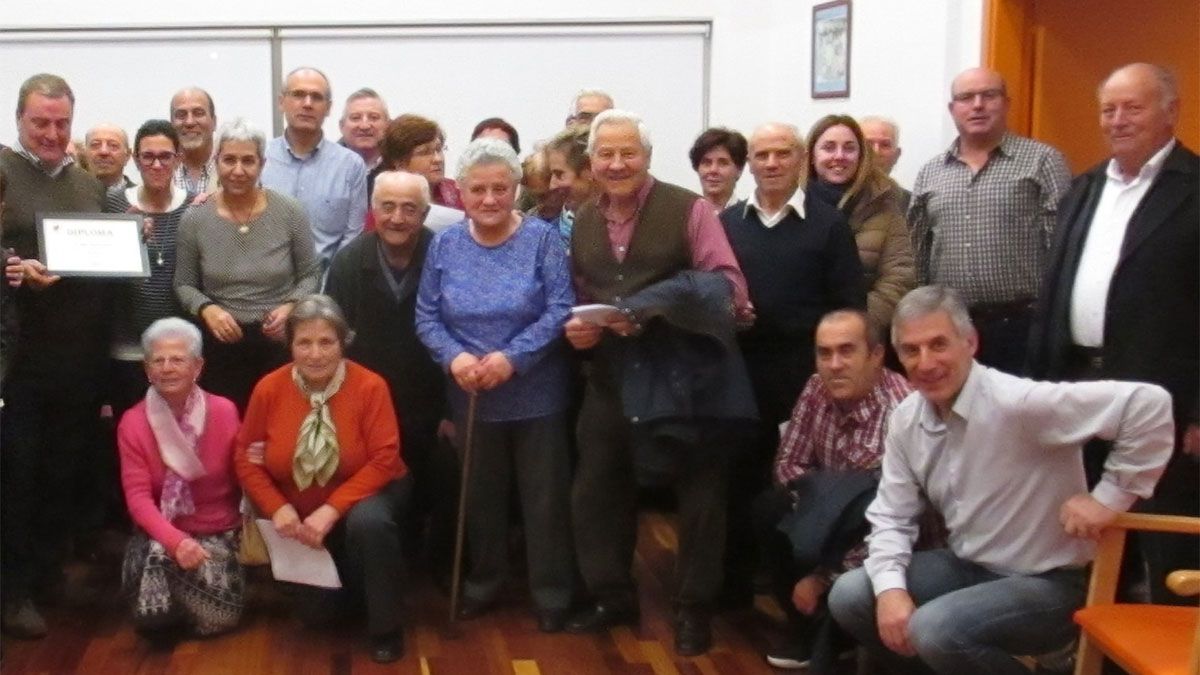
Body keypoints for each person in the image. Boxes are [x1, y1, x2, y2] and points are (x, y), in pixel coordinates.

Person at [827, 285, 1175, 675]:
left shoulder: (1018, 403)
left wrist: (1108, 499)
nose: (925, 363)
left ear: (970, 342)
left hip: (1050, 583)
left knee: (936, 628)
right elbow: (891, 516)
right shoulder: (907, 419)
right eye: (911, 350)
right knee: (851, 595)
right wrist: (891, 591)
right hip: (968, 566)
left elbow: (1149, 404)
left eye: (939, 344)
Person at [564, 109, 755, 656]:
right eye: (606, 154)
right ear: (592, 161)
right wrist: (583, 330)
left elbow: (727, 287)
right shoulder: (582, 218)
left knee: (700, 498)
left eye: (629, 153)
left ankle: (693, 609)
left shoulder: (688, 209)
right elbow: (582, 290)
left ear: (647, 157)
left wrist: (650, 306)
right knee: (596, 488)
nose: (617, 163)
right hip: (611, 375)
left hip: (685, 376)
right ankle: (612, 597)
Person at [1028, 62, 1199, 604]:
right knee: (1090, 535)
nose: (1118, 120)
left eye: (1134, 106)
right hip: (1080, 387)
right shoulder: (1084, 187)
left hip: (1165, 396)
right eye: (1109, 109)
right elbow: (1055, 292)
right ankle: (1096, 654)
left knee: (1165, 545)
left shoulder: (1194, 190)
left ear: (1171, 111)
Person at [416, 138, 576, 632]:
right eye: (478, 190)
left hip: (536, 393)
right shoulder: (444, 243)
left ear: (515, 189)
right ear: (459, 192)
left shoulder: (543, 239)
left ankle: (552, 593)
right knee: (480, 501)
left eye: (500, 189)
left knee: (544, 500)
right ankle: (483, 583)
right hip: (470, 394)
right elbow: (426, 315)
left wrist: (513, 358)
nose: (489, 200)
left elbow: (559, 308)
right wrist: (455, 357)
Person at [719, 122, 865, 607]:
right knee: (738, 482)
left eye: (782, 153)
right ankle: (735, 589)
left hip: (806, 379)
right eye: (762, 155)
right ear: (750, 163)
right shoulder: (729, 223)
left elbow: (849, 306)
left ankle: (797, 599)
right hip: (741, 372)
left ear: (800, 158)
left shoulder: (828, 224)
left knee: (797, 490)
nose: (772, 163)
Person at [235, 294, 409, 663]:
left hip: (365, 497)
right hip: (298, 512)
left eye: (326, 342)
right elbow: (245, 458)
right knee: (317, 618)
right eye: (304, 343)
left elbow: (384, 459)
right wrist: (276, 507)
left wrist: (331, 510)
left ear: (343, 342)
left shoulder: (370, 386)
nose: (315, 354)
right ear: (290, 346)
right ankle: (349, 589)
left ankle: (386, 626)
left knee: (369, 522)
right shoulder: (269, 388)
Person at [0, 73, 111, 639]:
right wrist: (10, 267)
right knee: (15, 476)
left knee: (60, 471)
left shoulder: (86, 183)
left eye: (62, 123)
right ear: (19, 118)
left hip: (77, 359)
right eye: (40, 122)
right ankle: (11, 590)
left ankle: (46, 574)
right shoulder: (0, 169)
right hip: (16, 361)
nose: (51, 133)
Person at [755, 309, 912, 671]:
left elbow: (893, 518)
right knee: (769, 508)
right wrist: (819, 508)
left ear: (876, 356)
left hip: (880, 531)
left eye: (846, 351)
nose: (834, 364)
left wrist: (821, 575)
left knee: (857, 517)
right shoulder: (815, 387)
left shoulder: (901, 412)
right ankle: (807, 627)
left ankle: (838, 627)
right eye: (824, 353)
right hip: (825, 506)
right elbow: (787, 463)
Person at [324, 170, 454, 573]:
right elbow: (333, 344)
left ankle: (435, 569)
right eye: (387, 206)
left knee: (441, 482)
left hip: (433, 404)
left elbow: (463, 333)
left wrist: (454, 409)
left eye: (409, 209)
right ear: (372, 210)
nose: (397, 218)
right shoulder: (348, 262)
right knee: (376, 497)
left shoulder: (446, 255)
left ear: (425, 213)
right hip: (368, 409)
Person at [909, 67, 1070, 374]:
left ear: (1006, 103)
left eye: (989, 95)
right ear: (952, 109)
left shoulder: (1042, 161)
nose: (978, 105)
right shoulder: (930, 172)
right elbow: (917, 256)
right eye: (966, 98)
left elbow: (1063, 250)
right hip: (951, 329)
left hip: (1023, 327)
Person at [174, 118, 321, 413]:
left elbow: (310, 274)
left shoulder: (289, 212)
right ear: (216, 161)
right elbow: (184, 284)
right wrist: (207, 308)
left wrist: (291, 305)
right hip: (221, 344)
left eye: (248, 161)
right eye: (229, 160)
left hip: (278, 344)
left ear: (262, 164)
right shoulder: (195, 218)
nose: (238, 170)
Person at [118, 318, 244, 640]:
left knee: (220, 620)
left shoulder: (225, 411)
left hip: (219, 531)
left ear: (197, 366)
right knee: (155, 565)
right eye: (158, 360)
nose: (167, 368)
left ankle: (185, 612)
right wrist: (176, 541)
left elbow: (244, 475)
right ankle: (163, 621)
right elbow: (138, 500)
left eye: (177, 359)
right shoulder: (132, 422)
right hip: (162, 531)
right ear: (147, 370)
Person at [104, 119, 194, 419]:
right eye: (148, 156)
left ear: (178, 159)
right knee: (130, 436)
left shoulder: (195, 207)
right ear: (135, 159)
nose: (157, 164)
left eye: (165, 156)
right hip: (127, 350)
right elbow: (98, 274)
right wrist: (122, 240)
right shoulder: (113, 206)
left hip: (177, 353)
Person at [805, 115, 914, 329]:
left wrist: (856, 327)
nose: (839, 156)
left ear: (860, 155)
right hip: (801, 335)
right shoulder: (793, 204)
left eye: (849, 148)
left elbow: (898, 277)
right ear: (810, 155)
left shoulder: (886, 204)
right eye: (828, 147)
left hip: (865, 335)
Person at [261, 67, 367, 268]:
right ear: (281, 102)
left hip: (326, 289)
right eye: (298, 95)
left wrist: (327, 289)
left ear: (328, 108)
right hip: (266, 288)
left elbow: (352, 238)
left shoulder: (350, 166)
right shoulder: (258, 159)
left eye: (316, 97)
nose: (307, 104)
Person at [380, 114, 464, 212]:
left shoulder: (458, 193)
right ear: (399, 163)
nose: (438, 159)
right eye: (425, 152)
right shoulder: (384, 199)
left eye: (439, 149)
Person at [544, 124, 598, 240]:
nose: (552, 186)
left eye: (559, 174)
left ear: (589, 170)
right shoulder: (544, 235)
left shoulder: (627, 229)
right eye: (551, 175)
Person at [169, 87, 218, 194]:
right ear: (171, 124)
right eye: (181, 115)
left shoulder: (232, 170)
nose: (189, 122)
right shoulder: (160, 172)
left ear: (214, 122)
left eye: (198, 113)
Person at [689, 127, 747, 211]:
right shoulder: (686, 217)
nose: (713, 170)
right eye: (707, 163)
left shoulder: (749, 219)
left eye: (723, 163)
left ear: (739, 170)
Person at [858, 116, 908, 211]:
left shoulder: (910, 204)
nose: (876, 151)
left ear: (896, 155)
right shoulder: (836, 198)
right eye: (868, 144)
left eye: (885, 145)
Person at [337, 88, 389, 176]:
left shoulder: (402, 166)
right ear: (342, 126)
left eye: (374, 117)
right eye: (355, 118)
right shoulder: (325, 166)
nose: (364, 126)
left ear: (388, 125)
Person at [517, 148, 564, 222]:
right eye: (542, 196)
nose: (552, 199)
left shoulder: (578, 211)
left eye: (555, 191)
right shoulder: (531, 220)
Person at [83, 123, 134, 189]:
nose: (103, 152)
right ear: (85, 153)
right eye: (95, 145)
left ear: (127, 155)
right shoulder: (69, 195)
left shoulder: (141, 197)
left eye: (113, 145)